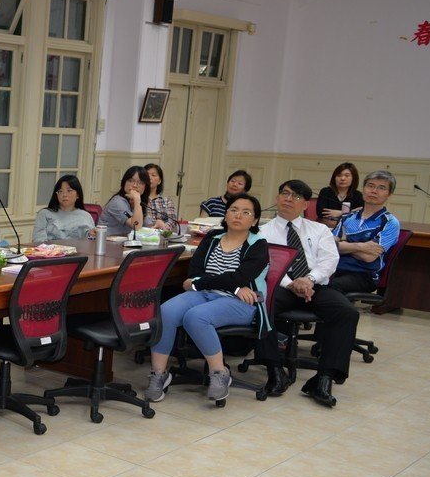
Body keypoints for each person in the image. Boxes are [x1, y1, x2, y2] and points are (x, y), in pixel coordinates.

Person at [144, 193, 270, 405]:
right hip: (206, 294)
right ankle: (159, 374)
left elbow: (239, 277)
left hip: (242, 302)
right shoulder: (212, 237)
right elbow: (194, 271)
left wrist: (207, 283)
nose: (238, 215)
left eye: (246, 212)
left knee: (196, 317)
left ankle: (220, 373)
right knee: (165, 311)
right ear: (226, 213)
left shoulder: (258, 244)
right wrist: (229, 285)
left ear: (255, 220)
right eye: (233, 210)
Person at [253, 180, 359, 409]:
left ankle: (323, 379)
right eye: (285, 193)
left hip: (315, 285)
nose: (289, 199)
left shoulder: (319, 230)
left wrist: (308, 280)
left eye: (296, 196)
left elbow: (330, 261)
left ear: (305, 205)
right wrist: (292, 284)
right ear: (277, 198)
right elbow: (265, 265)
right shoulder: (262, 232)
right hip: (281, 286)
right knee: (262, 304)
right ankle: (274, 371)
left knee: (346, 312)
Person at [331, 170, 401, 294]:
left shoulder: (390, 222)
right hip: (335, 267)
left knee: (330, 287)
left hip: (364, 275)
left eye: (381, 188)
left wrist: (344, 243)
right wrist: (361, 246)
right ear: (363, 189)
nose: (374, 191)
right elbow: (330, 246)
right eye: (370, 186)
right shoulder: (348, 217)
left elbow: (369, 257)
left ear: (389, 194)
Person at [32, 174, 95, 243]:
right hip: (50, 252)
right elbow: (38, 241)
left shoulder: (85, 216)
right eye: (60, 191)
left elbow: (91, 242)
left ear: (78, 195)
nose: (64, 195)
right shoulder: (45, 214)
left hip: (78, 252)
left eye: (69, 190)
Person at [98, 166, 149, 236]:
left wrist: (157, 224)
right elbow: (136, 226)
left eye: (140, 182)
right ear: (124, 182)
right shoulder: (117, 202)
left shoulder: (137, 202)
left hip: (126, 244)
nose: (135, 185)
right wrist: (137, 201)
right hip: (107, 243)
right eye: (131, 181)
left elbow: (147, 227)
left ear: (145, 187)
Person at [317, 161, 362, 230]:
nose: (342, 178)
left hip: (348, 228)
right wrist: (350, 212)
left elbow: (360, 213)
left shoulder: (357, 195)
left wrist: (341, 213)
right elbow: (320, 212)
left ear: (353, 178)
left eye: (347, 175)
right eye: (339, 175)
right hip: (326, 227)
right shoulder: (326, 192)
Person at [143, 163, 179, 234]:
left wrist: (163, 227)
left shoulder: (167, 201)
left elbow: (173, 221)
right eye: (147, 175)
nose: (150, 178)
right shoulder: (138, 199)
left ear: (159, 181)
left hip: (163, 235)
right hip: (144, 235)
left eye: (153, 175)